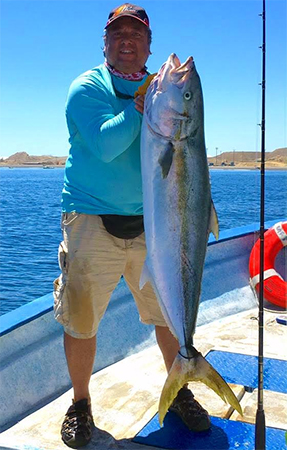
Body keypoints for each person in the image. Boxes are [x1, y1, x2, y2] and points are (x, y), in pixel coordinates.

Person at [53, 3, 211, 448]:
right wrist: (142, 107)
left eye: (136, 34)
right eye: (118, 34)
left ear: (148, 44)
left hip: (154, 226)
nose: (127, 40)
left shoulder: (158, 90)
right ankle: (81, 404)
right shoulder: (87, 87)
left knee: (166, 314)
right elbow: (104, 145)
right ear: (105, 43)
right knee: (81, 320)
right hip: (91, 219)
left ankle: (180, 386)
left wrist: (156, 100)